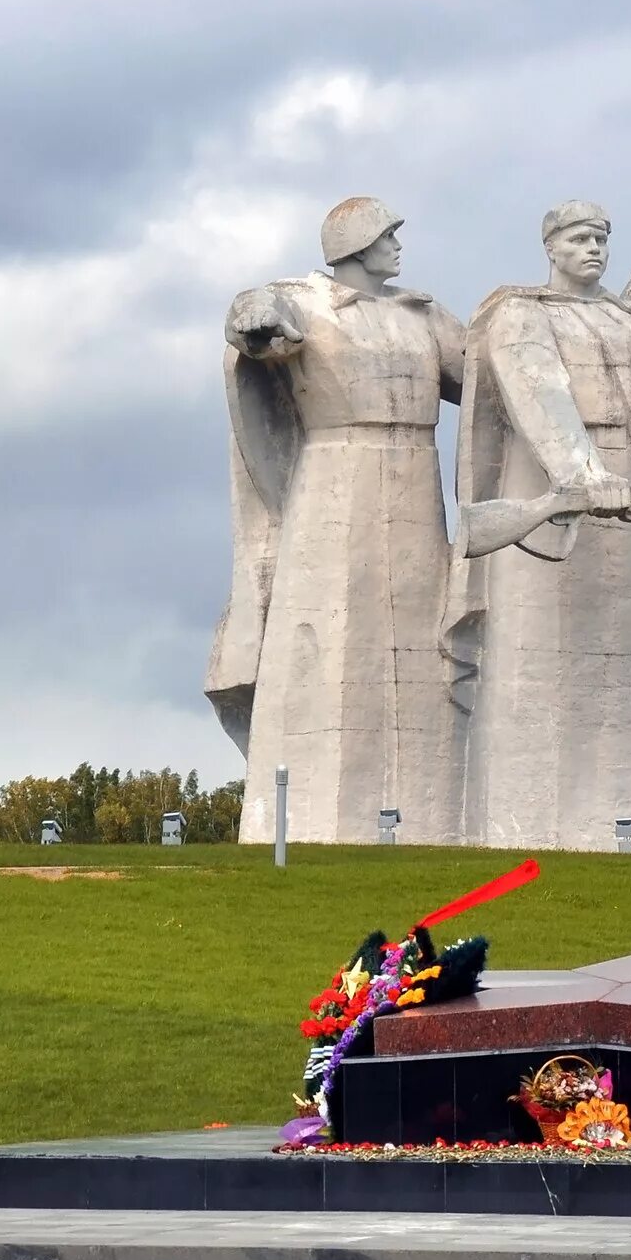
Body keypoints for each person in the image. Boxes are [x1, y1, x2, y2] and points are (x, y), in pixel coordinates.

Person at [205, 198, 465, 844]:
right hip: (334, 476)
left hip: (414, 474)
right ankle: (310, 812)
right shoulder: (303, 300)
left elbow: (485, 376)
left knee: (417, 641)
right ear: (355, 241)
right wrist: (259, 319)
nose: (398, 246)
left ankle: (429, 813)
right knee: (328, 637)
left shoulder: (421, 313)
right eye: (387, 235)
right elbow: (252, 324)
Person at [448, 201, 631, 848]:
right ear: (551, 246)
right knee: (541, 669)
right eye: (580, 238)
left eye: (603, 238)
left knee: (630, 670)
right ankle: (528, 828)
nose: (595, 249)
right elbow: (538, 394)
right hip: (553, 495)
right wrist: (579, 471)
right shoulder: (521, 312)